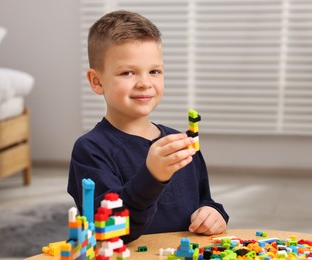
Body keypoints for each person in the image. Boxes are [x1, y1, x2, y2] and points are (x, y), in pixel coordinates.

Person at [67, 10, 229, 243]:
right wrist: (152, 177)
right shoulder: (90, 150)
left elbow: (204, 199)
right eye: (127, 72)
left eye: (154, 71)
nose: (145, 83)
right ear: (97, 81)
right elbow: (109, 230)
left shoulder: (180, 143)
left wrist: (213, 213)